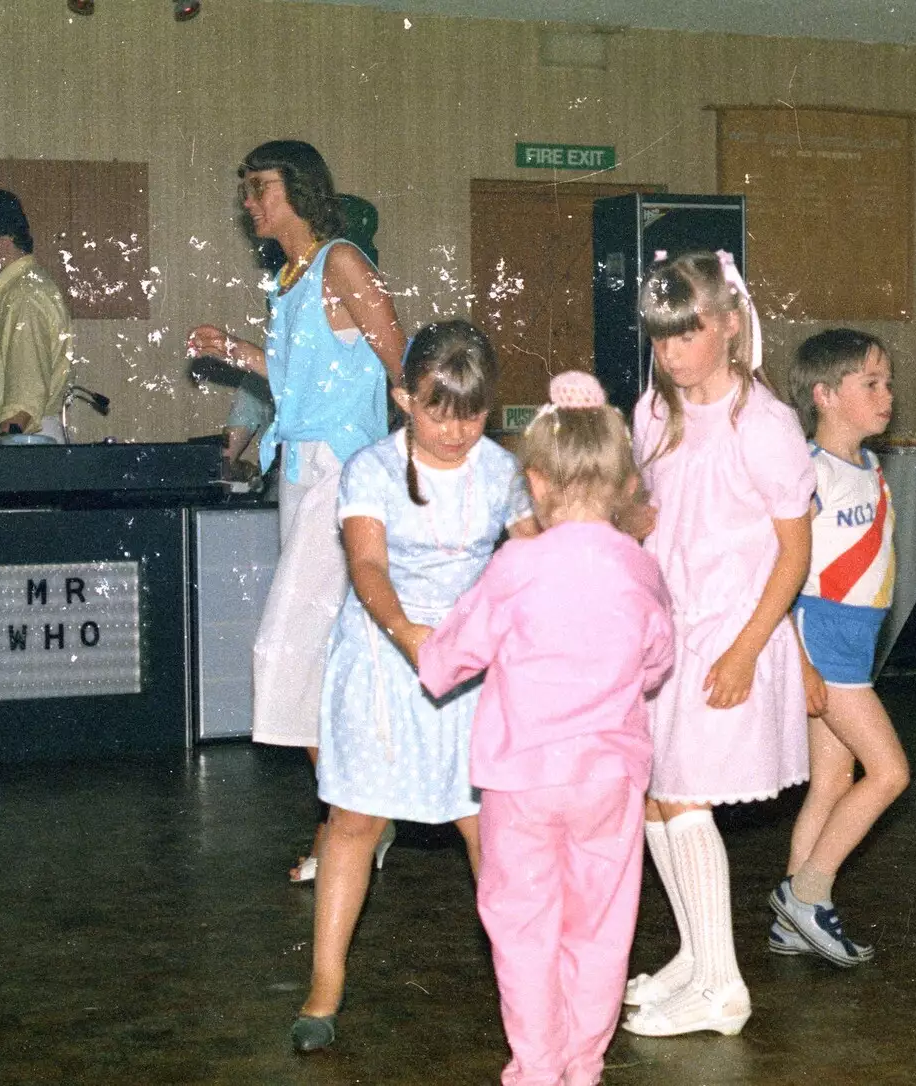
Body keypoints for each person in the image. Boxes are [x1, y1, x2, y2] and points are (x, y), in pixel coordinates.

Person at [417, 370, 675, 1086]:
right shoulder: (640, 567)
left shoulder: (515, 565)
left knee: (523, 926)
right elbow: (657, 663)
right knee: (600, 928)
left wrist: (426, 653)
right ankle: (583, 1066)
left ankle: (534, 1069)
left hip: (521, 778)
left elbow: (450, 658)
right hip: (609, 778)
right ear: (626, 483)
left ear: (535, 481)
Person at [290, 320, 538, 1053]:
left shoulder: (500, 471)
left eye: (473, 412)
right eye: (438, 410)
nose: (457, 430)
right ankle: (324, 989)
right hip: (381, 656)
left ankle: (523, 985)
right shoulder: (371, 468)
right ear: (404, 398)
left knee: (487, 829)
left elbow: (532, 558)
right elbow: (367, 566)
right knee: (355, 824)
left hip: (468, 667)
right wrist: (405, 632)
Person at [186, 141, 402, 882]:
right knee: (322, 658)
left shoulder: (342, 262)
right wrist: (239, 352)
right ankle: (350, 818)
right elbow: (299, 375)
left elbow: (398, 363)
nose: (249, 203)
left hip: (345, 474)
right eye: (245, 190)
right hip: (301, 471)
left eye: (260, 189)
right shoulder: (291, 276)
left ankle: (358, 812)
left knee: (284, 651)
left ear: (300, 190)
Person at [618, 251, 814, 1038]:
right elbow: (651, 514)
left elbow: (794, 554)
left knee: (688, 793)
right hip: (671, 627)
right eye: (660, 339)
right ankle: (698, 960)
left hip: (733, 632)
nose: (671, 353)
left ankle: (724, 988)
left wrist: (746, 650)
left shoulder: (765, 424)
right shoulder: (652, 413)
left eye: (686, 334)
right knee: (657, 796)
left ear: (730, 326)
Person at [774, 328, 910, 966]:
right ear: (825, 396)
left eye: (887, 383)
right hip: (823, 638)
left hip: (853, 642)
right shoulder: (807, 473)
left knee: (833, 778)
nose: (888, 396)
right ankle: (810, 892)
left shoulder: (869, 465)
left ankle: (789, 920)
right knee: (889, 773)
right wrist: (797, 658)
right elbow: (780, 568)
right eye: (871, 384)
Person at [0, 190, 73, 440]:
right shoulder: (17, 289)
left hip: (22, 438)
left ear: (5, 241)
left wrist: (8, 443)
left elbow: (25, 394)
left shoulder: (24, 296)